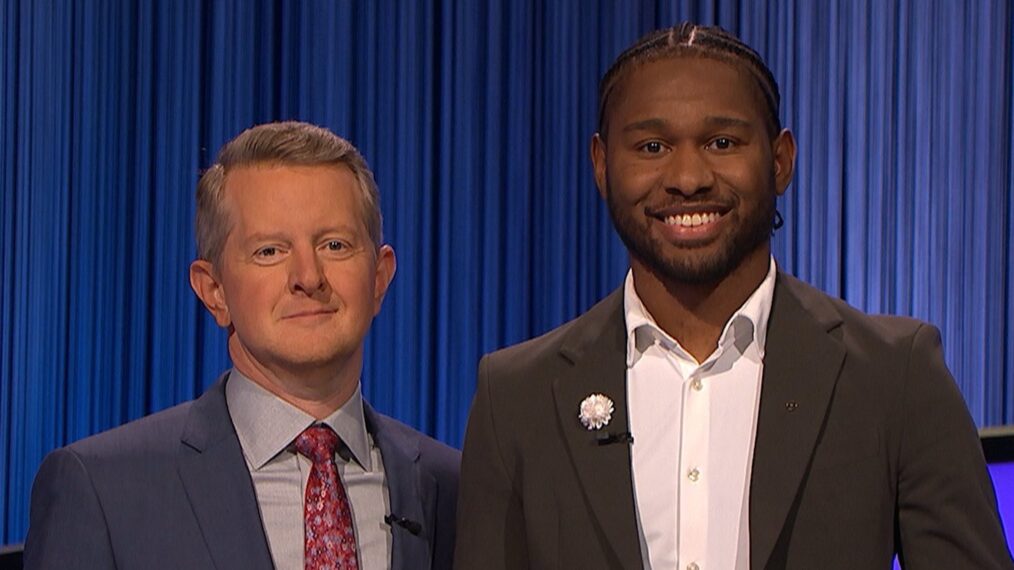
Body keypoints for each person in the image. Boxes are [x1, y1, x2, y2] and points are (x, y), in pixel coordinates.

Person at [455, 22, 1011, 570]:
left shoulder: (894, 377)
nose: (688, 177)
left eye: (722, 143)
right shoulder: (515, 399)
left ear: (780, 160)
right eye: (652, 146)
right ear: (601, 165)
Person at [26, 121, 459, 570]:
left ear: (379, 278)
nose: (308, 278)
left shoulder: (455, 490)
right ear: (214, 290)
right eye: (269, 251)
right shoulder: (104, 491)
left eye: (335, 244)